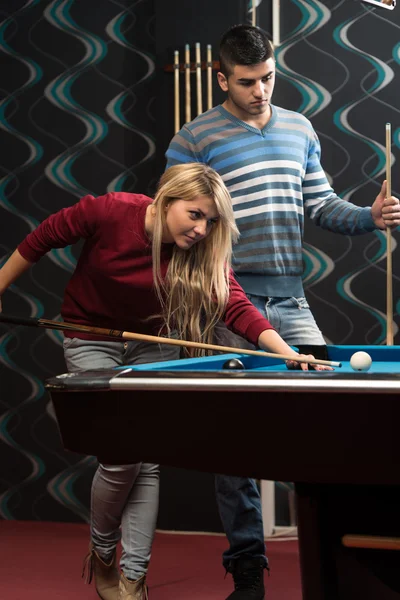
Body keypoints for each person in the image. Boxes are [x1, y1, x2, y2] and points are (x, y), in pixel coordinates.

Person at [0, 162, 330, 600]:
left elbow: (234, 304)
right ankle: (102, 553)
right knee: (120, 457)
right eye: (195, 214)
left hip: (154, 339)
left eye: (210, 221)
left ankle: (134, 578)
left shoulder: (200, 251)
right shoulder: (109, 211)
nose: (201, 228)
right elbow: (41, 239)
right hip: (90, 336)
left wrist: (288, 354)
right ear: (167, 199)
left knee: (147, 457)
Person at [165, 24, 400, 600]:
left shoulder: (299, 128)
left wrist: (369, 216)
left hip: (291, 301)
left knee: (326, 423)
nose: (261, 90)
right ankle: (248, 572)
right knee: (233, 447)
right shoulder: (193, 138)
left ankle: (339, 554)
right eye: (247, 82)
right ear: (222, 78)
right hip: (226, 304)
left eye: (268, 77)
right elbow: (176, 221)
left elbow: (320, 205)